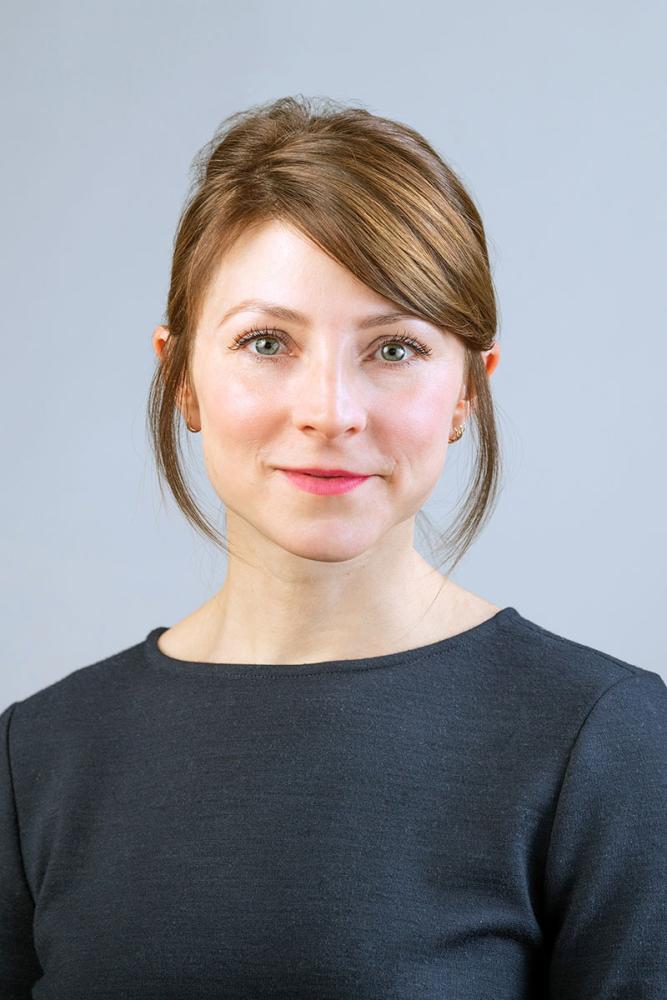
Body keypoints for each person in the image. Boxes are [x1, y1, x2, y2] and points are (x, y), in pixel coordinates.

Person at [1, 95, 665, 999]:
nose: (329, 411)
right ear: (183, 379)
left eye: (393, 348)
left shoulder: (605, 743)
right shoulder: (35, 754)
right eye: (265, 341)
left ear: (469, 391)